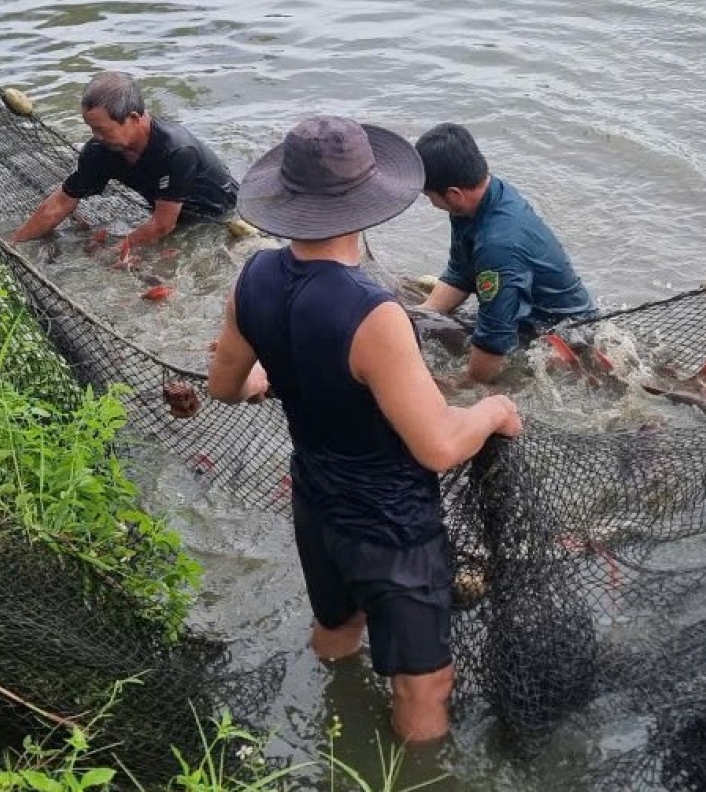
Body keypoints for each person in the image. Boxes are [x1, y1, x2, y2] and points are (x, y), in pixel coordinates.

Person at [207, 115, 524, 744]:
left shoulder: (253, 278)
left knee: (337, 627)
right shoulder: (374, 313)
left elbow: (224, 387)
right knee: (424, 685)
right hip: (390, 524)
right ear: (366, 203)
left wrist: (268, 377)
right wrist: (493, 410)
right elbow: (438, 447)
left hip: (314, 499)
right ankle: (412, 789)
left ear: (287, 198)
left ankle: (333, 724)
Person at [414, 124, 597, 383]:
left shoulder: (498, 246)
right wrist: (421, 314)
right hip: (521, 310)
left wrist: (462, 383)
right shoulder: (475, 201)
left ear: (453, 194)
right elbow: (461, 271)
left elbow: (494, 338)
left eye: (429, 196)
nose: (431, 202)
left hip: (565, 333)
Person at [9, 71, 239, 262]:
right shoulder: (99, 150)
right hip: (168, 211)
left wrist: (113, 253)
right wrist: (14, 244)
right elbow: (61, 202)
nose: (96, 137)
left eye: (102, 129)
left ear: (134, 118)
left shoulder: (177, 151)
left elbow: (163, 224)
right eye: (91, 128)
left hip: (221, 218)